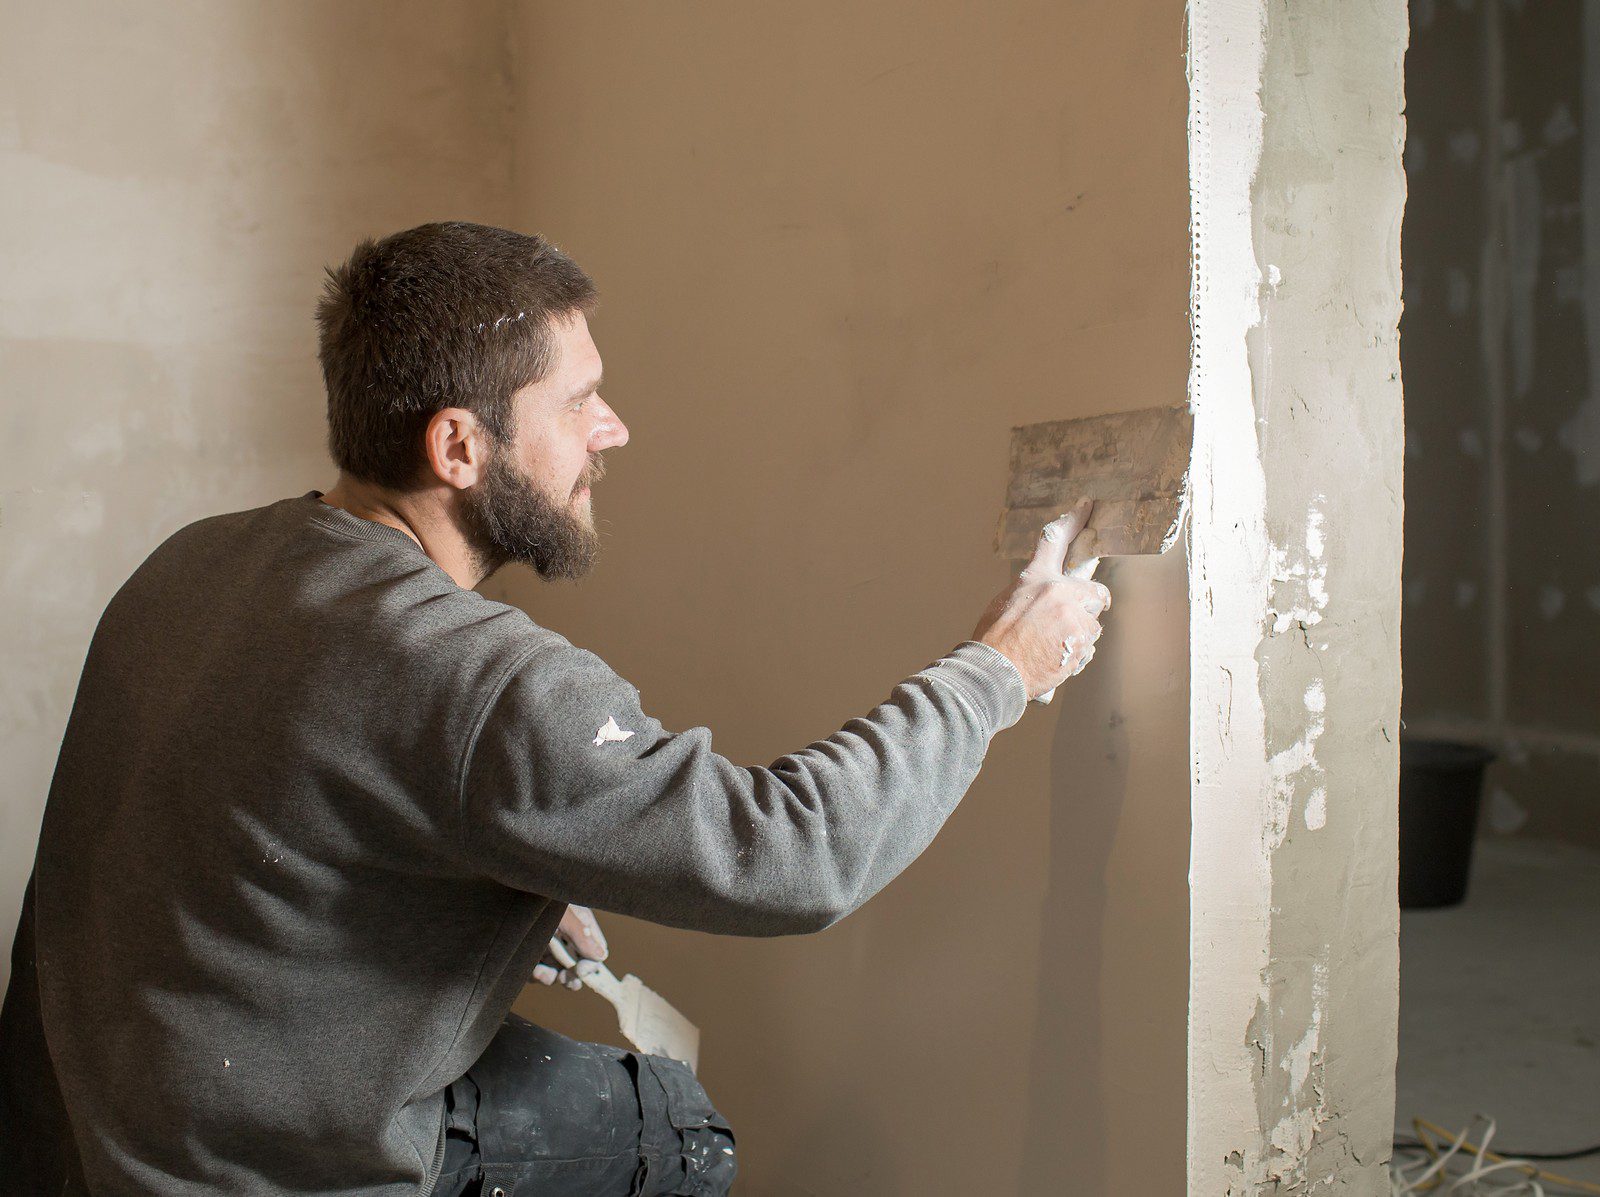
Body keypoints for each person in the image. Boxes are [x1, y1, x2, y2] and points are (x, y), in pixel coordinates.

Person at [0, 222, 1109, 1197]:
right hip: (268, 1175)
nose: (612, 430)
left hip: (77, 1139)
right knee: (674, 1131)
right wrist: (999, 669)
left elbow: (250, 817)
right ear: (458, 447)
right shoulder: (474, 677)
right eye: (578, 403)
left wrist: (500, 882)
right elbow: (792, 856)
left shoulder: (195, 564)